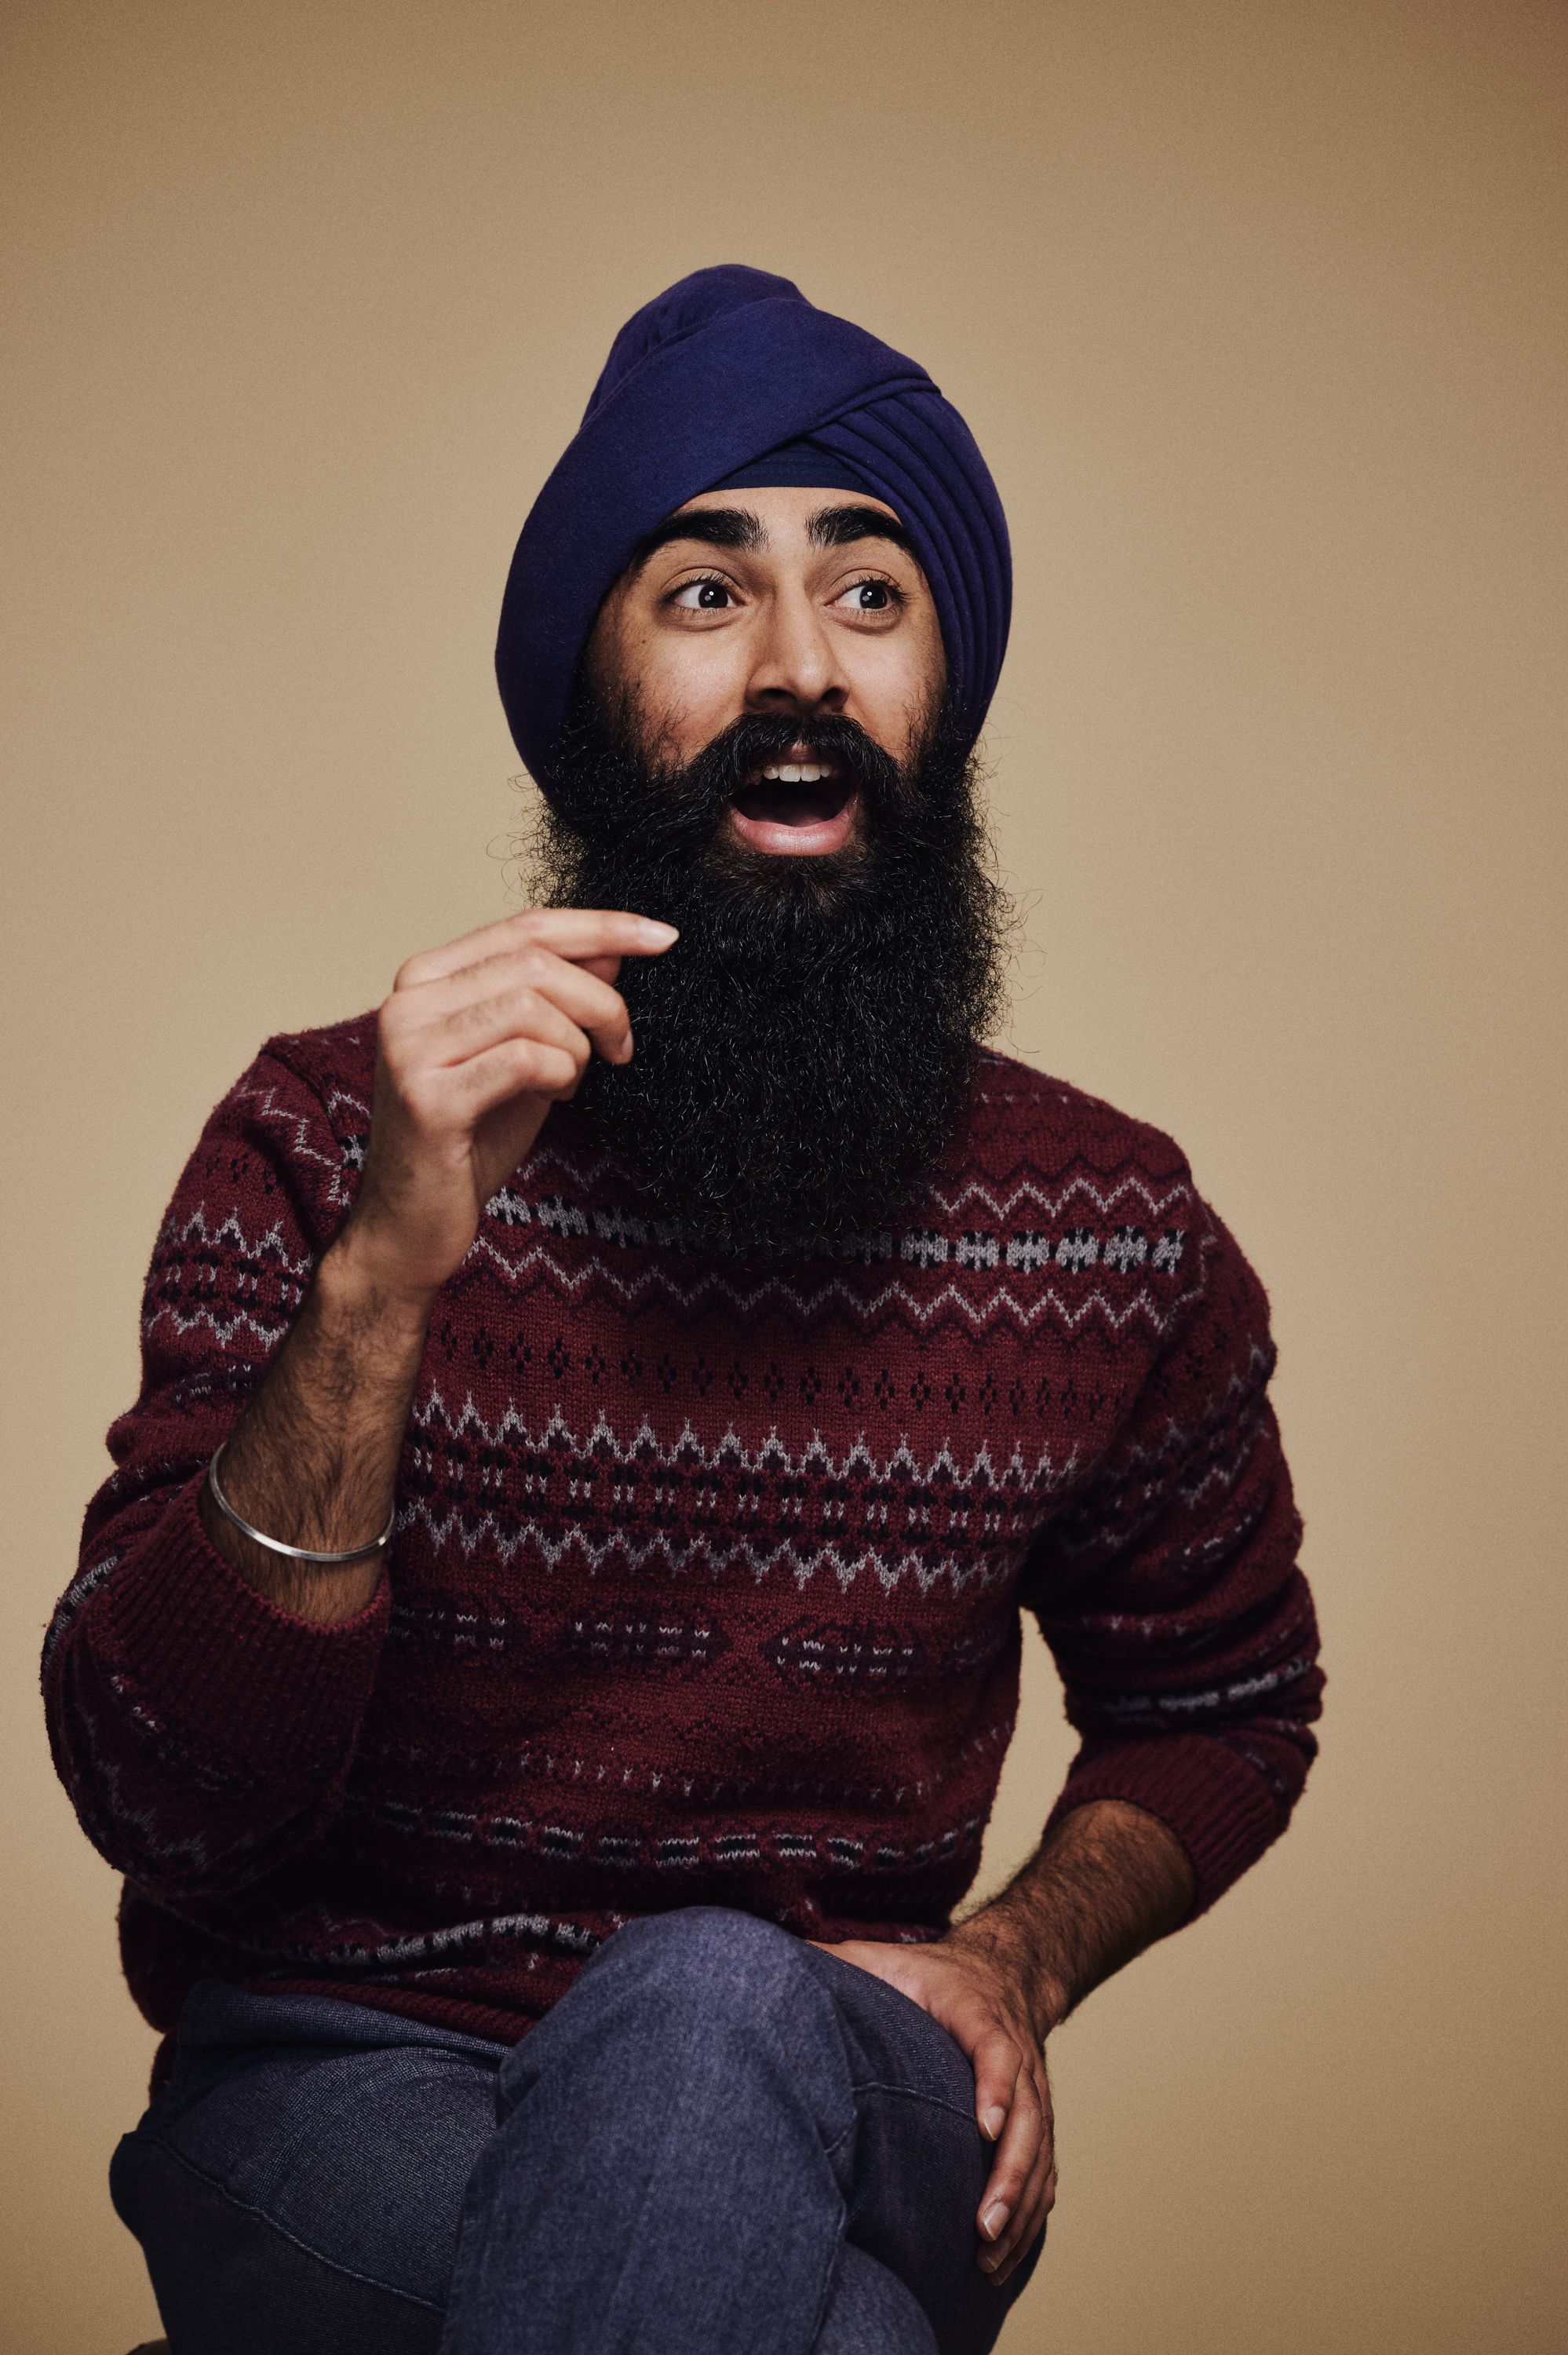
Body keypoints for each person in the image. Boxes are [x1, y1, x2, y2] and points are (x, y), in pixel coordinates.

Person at [44, 266, 1322, 2355]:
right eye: (708, 595)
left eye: (871, 594)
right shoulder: (329, 1134)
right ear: (594, 683)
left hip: (848, 2066)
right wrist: (380, 1281)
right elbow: (164, 1796)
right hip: (356, 2077)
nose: (800, 666)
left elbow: (1226, 1704)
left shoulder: (1105, 1222)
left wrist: (1014, 1958)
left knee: (713, 1994)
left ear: (943, 687)